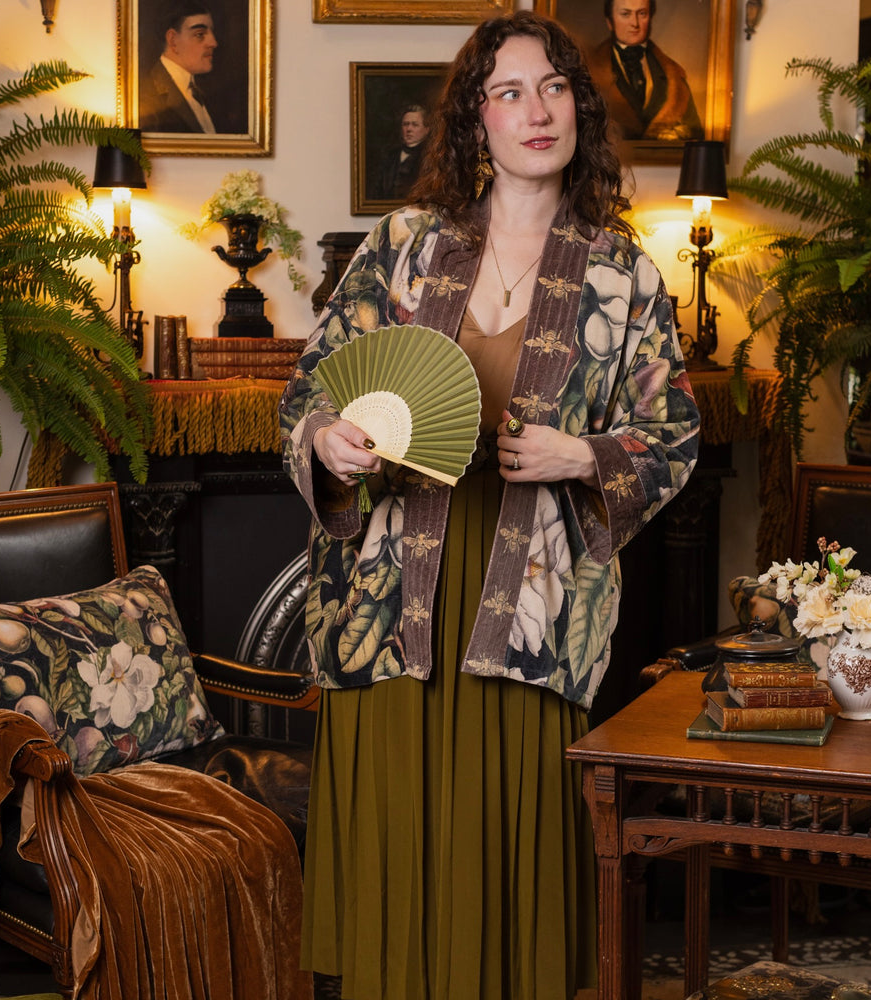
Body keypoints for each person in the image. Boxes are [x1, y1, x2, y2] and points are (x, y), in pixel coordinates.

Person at [279, 10, 699, 1000]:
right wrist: (329, 441)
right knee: (397, 848)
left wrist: (582, 451)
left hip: (533, 609)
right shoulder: (402, 246)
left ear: (578, 108)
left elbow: (673, 435)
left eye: (553, 86)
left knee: (511, 864)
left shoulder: (622, 271)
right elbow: (311, 393)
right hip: (391, 601)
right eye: (508, 92)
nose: (535, 109)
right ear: (477, 119)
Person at [589, 0, 703, 142]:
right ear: (609, 22)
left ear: (651, 18)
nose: (635, 23)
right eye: (625, 14)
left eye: (642, 14)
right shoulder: (589, 71)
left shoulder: (675, 76)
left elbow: (695, 135)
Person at [139, 1, 221, 134]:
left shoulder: (203, 93)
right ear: (172, 40)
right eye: (200, 34)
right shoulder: (146, 95)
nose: (213, 43)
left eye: (212, 32)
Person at [376, 104, 431, 200]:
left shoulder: (430, 157)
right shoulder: (390, 156)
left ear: (426, 130)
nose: (409, 129)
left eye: (415, 125)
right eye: (406, 124)